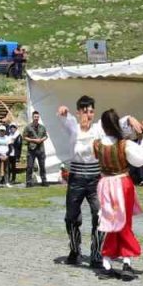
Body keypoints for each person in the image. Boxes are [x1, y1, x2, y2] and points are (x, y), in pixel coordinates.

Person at [93, 110, 143, 281]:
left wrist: (127, 118)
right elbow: (142, 157)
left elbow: (101, 125)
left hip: (105, 184)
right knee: (124, 222)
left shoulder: (97, 144)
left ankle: (106, 263)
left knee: (110, 223)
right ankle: (126, 262)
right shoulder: (124, 144)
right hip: (122, 184)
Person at [57, 95, 106, 268]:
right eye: (85, 111)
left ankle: (96, 253)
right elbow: (65, 118)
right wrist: (63, 112)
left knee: (100, 215)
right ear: (78, 113)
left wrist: (129, 120)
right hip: (76, 177)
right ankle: (75, 249)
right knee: (71, 217)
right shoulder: (74, 128)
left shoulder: (99, 128)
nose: (88, 115)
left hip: (95, 178)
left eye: (91, 111)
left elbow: (114, 122)